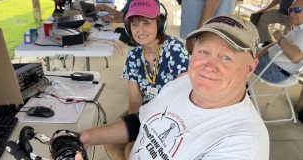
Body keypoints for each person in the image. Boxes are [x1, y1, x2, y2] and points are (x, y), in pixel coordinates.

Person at [78, 15, 269, 159]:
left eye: (226, 57)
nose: (209, 66)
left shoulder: (244, 144)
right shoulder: (183, 83)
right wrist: (87, 137)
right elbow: (141, 120)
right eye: (203, 51)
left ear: (250, 67)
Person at [105, 0, 190, 159]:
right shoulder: (133, 55)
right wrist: (137, 129)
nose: (140, 30)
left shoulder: (175, 50)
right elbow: (135, 101)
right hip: (144, 112)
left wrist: (145, 134)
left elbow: (183, 100)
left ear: (159, 24)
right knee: (111, 141)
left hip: (171, 116)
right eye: (135, 24)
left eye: (146, 23)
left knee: (132, 149)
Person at [254, 0, 303, 83]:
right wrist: (256, 56)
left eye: (297, 9)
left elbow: (295, 57)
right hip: (269, 61)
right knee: (245, 51)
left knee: (238, 58)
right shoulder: (298, 28)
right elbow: (276, 44)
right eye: (290, 10)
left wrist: (280, 37)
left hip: (273, 69)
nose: (291, 13)